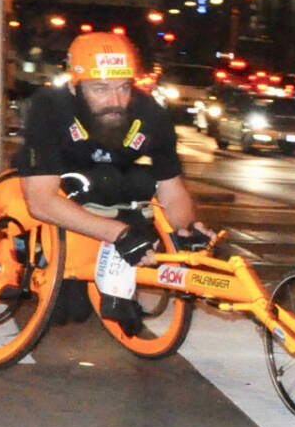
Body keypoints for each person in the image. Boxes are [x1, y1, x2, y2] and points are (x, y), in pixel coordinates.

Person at [14, 32, 208, 335]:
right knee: (65, 312)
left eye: (123, 88)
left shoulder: (150, 113)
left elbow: (172, 190)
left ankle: (114, 268)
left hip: (113, 191)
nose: (115, 101)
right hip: (60, 191)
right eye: (100, 89)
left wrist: (181, 233)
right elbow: (40, 200)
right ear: (76, 85)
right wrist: (119, 235)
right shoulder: (51, 106)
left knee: (138, 182)